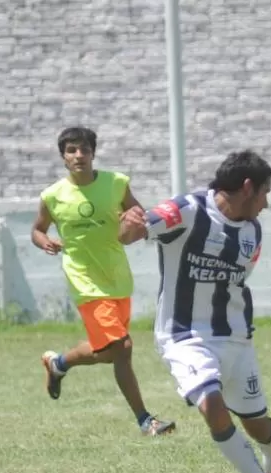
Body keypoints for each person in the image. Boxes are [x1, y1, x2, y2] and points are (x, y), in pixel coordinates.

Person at [118, 149, 271, 473]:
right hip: (184, 336)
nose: (266, 203)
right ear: (247, 188)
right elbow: (132, 231)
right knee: (211, 406)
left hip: (235, 339)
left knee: (258, 426)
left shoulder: (251, 231)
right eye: (265, 193)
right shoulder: (186, 210)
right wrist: (130, 223)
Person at [32, 126, 174, 437]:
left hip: (117, 278)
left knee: (109, 352)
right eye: (71, 150)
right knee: (122, 348)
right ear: (63, 157)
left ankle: (58, 363)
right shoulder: (53, 195)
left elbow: (139, 216)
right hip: (84, 282)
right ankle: (145, 420)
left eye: (84, 149)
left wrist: (135, 224)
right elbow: (37, 229)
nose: (78, 155)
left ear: (93, 153)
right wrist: (43, 240)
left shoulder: (116, 184)